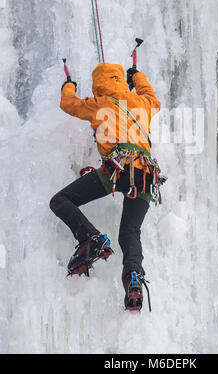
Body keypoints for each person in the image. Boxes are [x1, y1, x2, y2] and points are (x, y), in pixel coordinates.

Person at [49, 62, 161, 311]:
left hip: (118, 170)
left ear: (98, 86)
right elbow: (153, 98)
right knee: (129, 234)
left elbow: (68, 104)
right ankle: (134, 279)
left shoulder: (99, 104)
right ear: (121, 80)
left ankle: (90, 237)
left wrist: (68, 86)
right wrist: (137, 76)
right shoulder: (141, 102)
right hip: (145, 176)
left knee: (60, 201)